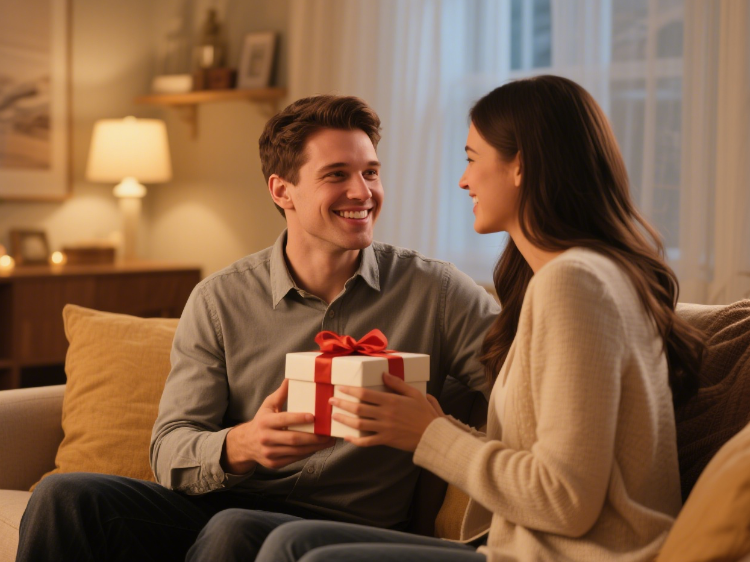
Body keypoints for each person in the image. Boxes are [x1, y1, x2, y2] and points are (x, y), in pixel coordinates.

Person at [15, 95, 499, 562]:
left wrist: (441, 430)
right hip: (226, 502)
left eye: (370, 172)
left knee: (235, 528)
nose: (362, 192)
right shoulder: (220, 299)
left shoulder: (434, 291)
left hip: (342, 528)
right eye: (337, 175)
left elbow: (526, 386)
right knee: (67, 494)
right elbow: (170, 448)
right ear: (281, 190)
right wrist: (242, 444)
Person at [253, 75, 707, 562]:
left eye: (472, 159)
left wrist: (428, 433)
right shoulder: (570, 278)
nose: (463, 180)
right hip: (528, 550)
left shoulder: (575, 284)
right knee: (289, 541)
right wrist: (427, 423)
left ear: (520, 166)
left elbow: (563, 501)